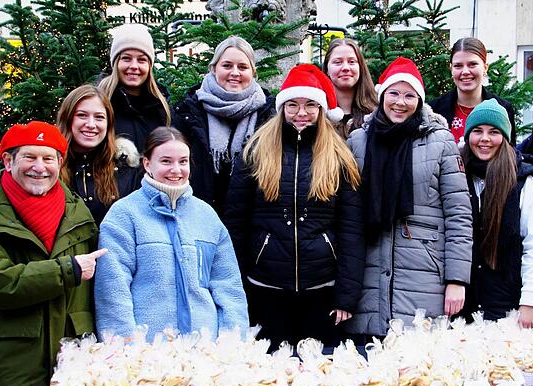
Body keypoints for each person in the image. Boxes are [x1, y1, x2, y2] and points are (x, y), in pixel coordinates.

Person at [0, 121, 105, 386]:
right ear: (8, 161)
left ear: (60, 163)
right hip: (8, 373)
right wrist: (68, 270)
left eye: (49, 158)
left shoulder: (78, 214)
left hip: (70, 374)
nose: (40, 167)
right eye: (30, 157)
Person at [225, 64, 364, 348]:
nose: (301, 113)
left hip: (322, 290)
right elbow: (235, 224)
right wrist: (237, 288)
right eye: (293, 105)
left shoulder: (339, 156)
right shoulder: (256, 152)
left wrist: (346, 297)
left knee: (319, 378)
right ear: (282, 108)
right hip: (265, 287)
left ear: (322, 109)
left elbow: (351, 230)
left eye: (310, 105)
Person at [345, 57, 473, 337]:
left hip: (424, 272)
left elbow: (459, 215)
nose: (400, 102)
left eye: (409, 95)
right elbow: (347, 214)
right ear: (381, 97)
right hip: (368, 273)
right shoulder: (358, 141)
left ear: (419, 100)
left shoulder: (440, 141)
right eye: (393, 93)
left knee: (419, 369)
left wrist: (456, 279)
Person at [95, 126, 248, 339]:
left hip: (205, 350)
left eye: (183, 161)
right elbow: (113, 288)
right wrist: (124, 347)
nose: (176, 169)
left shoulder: (206, 216)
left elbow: (228, 285)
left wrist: (232, 342)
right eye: (166, 161)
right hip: (147, 353)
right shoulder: (124, 214)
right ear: (147, 163)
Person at [460, 99, 533, 326]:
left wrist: (529, 300)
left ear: (505, 138)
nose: (485, 139)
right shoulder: (456, 175)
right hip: (460, 304)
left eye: (494, 132)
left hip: (506, 303)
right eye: (477, 131)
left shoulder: (522, 183)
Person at [175, 36, 275, 215]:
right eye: (227, 65)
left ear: (253, 72)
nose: (235, 73)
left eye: (243, 67)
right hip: (197, 216)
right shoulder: (189, 111)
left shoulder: (268, 115)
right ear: (214, 68)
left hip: (250, 220)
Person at [57, 84, 143, 225]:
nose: (91, 124)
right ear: (68, 118)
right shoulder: (49, 167)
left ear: (108, 123)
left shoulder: (126, 169)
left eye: (99, 117)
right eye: (82, 115)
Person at [429, 37, 516, 147]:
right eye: (458, 66)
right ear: (451, 69)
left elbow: (510, 154)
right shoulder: (433, 110)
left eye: (472, 64)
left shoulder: (503, 108)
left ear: (485, 68)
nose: (465, 71)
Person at [98, 23, 172, 153]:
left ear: (149, 65)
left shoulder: (162, 107)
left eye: (141, 60)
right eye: (126, 58)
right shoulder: (99, 104)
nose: (134, 66)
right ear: (116, 62)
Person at [321, 37, 377, 138]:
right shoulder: (318, 113)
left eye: (352, 62)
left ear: (360, 67)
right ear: (327, 69)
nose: (346, 68)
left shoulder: (377, 113)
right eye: (338, 62)